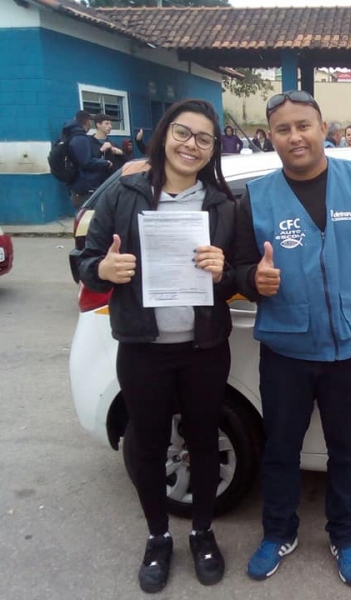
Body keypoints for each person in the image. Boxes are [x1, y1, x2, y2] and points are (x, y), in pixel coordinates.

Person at [233, 90, 351, 587]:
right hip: (287, 351)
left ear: (323, 127)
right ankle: (278, 532)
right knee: (280, 448)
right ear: (270, 136)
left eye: (304, 125)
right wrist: (254, 280)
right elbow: (235, 267)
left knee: (347, 449)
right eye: (283, 129)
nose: (295, 136)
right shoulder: (256, 196)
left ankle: (346, 536)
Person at [76, 99, 237, 593]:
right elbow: (83, 260)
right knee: (148, 444)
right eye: (184, 134)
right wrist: (103, 270)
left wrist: (222, 271)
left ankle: (204, 533)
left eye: (204, 139)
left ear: (213, 150)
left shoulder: (222, 204)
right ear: (166, 134)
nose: (192, 145)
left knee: (204, 441)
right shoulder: (123, 194)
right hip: (143, 348)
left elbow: (240, 274)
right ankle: (158, 536)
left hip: (204, 347)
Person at [63, 110, 114, 210]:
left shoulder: (70, 136)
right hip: (84, 190)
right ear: (87, 122)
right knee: (89, 221)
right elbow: (86, 162)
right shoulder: (80, 138)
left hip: (79, 187)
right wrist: (105, 163)